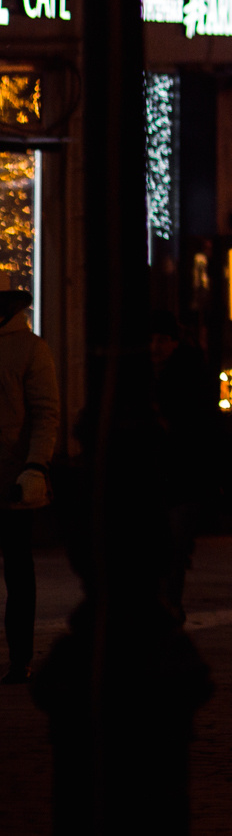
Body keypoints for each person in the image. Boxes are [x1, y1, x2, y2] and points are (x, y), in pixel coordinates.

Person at [0, 289, 58, 682]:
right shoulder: (30, 349)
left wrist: (35, 465)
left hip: (11, 478)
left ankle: (19, 657)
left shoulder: (30, 350)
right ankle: (18, 658)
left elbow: (44, 414)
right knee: (19, 571)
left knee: (18, 572)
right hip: (15, 474)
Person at [150, 313, 221, 617]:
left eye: (163, 340)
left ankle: (170, 607)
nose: (155, 346)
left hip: (182, 475)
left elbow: (201, 426)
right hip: (150, 475)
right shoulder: (136, 375)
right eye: (152, 339)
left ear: (175, 343)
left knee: (173, 548)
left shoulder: (190, 375)